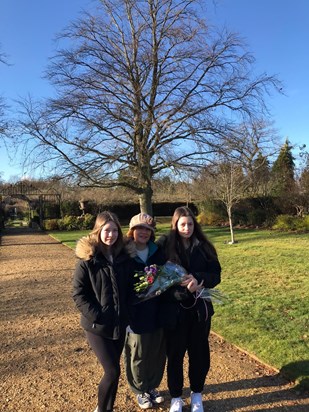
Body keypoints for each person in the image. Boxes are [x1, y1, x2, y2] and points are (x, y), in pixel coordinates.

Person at [157, 206, 221, 412]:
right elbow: (155, 279)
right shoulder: (164, 246)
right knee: (175, 355)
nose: (187, 228)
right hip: (174, 312)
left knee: (199, 354)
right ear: (175, 225)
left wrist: (199, 280)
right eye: (182, 224)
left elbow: (216, 274)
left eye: (190, 224)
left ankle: (196, 395)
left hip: (199, 312)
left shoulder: (204, 247)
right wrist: (179, 291)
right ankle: (176, 397)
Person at [72, 211, 132, 412]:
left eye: (115, 230)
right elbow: (79, 294)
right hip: (97, 326)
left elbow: (130, 290)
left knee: (114, 372)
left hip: (119, 323)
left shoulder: (124, 258)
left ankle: (106, 407)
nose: (111, 235)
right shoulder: (87, 260)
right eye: (107, 230)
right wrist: (97, 316)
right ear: (98, 231)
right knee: (112, 370)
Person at [124, 213, 166, 410]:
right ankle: (140, 389)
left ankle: (152, 386)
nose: (144, 232)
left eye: (148, 229)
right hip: (136, 312)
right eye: (140, 228)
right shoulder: (124, 253)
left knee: (157, 351)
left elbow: (165, 275)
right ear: (132, 230)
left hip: (157, 310)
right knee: (138, 352)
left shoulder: (158, 252)